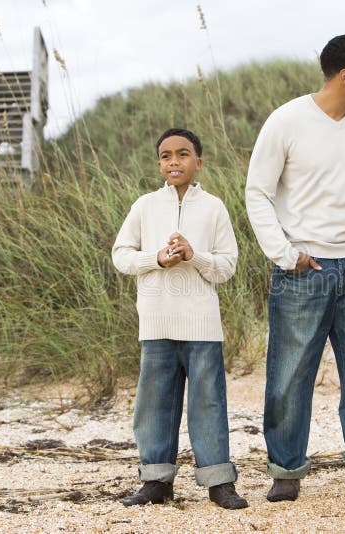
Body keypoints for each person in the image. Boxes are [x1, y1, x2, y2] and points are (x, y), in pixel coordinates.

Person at [245, 34, 345, 502]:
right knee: (290, 373)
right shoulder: (287, 120)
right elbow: (258, 192)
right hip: (302, 269)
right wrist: (285, 253)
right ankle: (286, 472)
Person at [112, 128, 248, 510]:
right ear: (159, 164)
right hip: (156, 322)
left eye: (183, 154)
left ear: (198, 162)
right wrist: (155, 258)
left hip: (202, 324)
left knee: (208, 402)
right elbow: (121, 255)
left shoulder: (214, 207)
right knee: (154, 403)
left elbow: (226, 267)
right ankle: (156, 481)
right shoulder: (144, 206)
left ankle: (219, 482)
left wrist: (194, 255)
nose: (174, 161)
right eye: (166, 156)